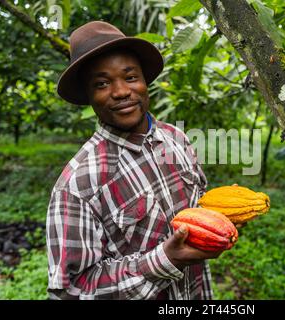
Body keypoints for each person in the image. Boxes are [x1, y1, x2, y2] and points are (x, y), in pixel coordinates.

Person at [46, 21, 222, 300]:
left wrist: (224, 220)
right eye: (102, 83)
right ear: (88, 96)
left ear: (144, 82)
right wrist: (164, 260)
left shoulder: (177, 139)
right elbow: (69, 291)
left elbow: (200, 210)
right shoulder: (77, 185)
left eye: (130, 77)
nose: (120, 92)